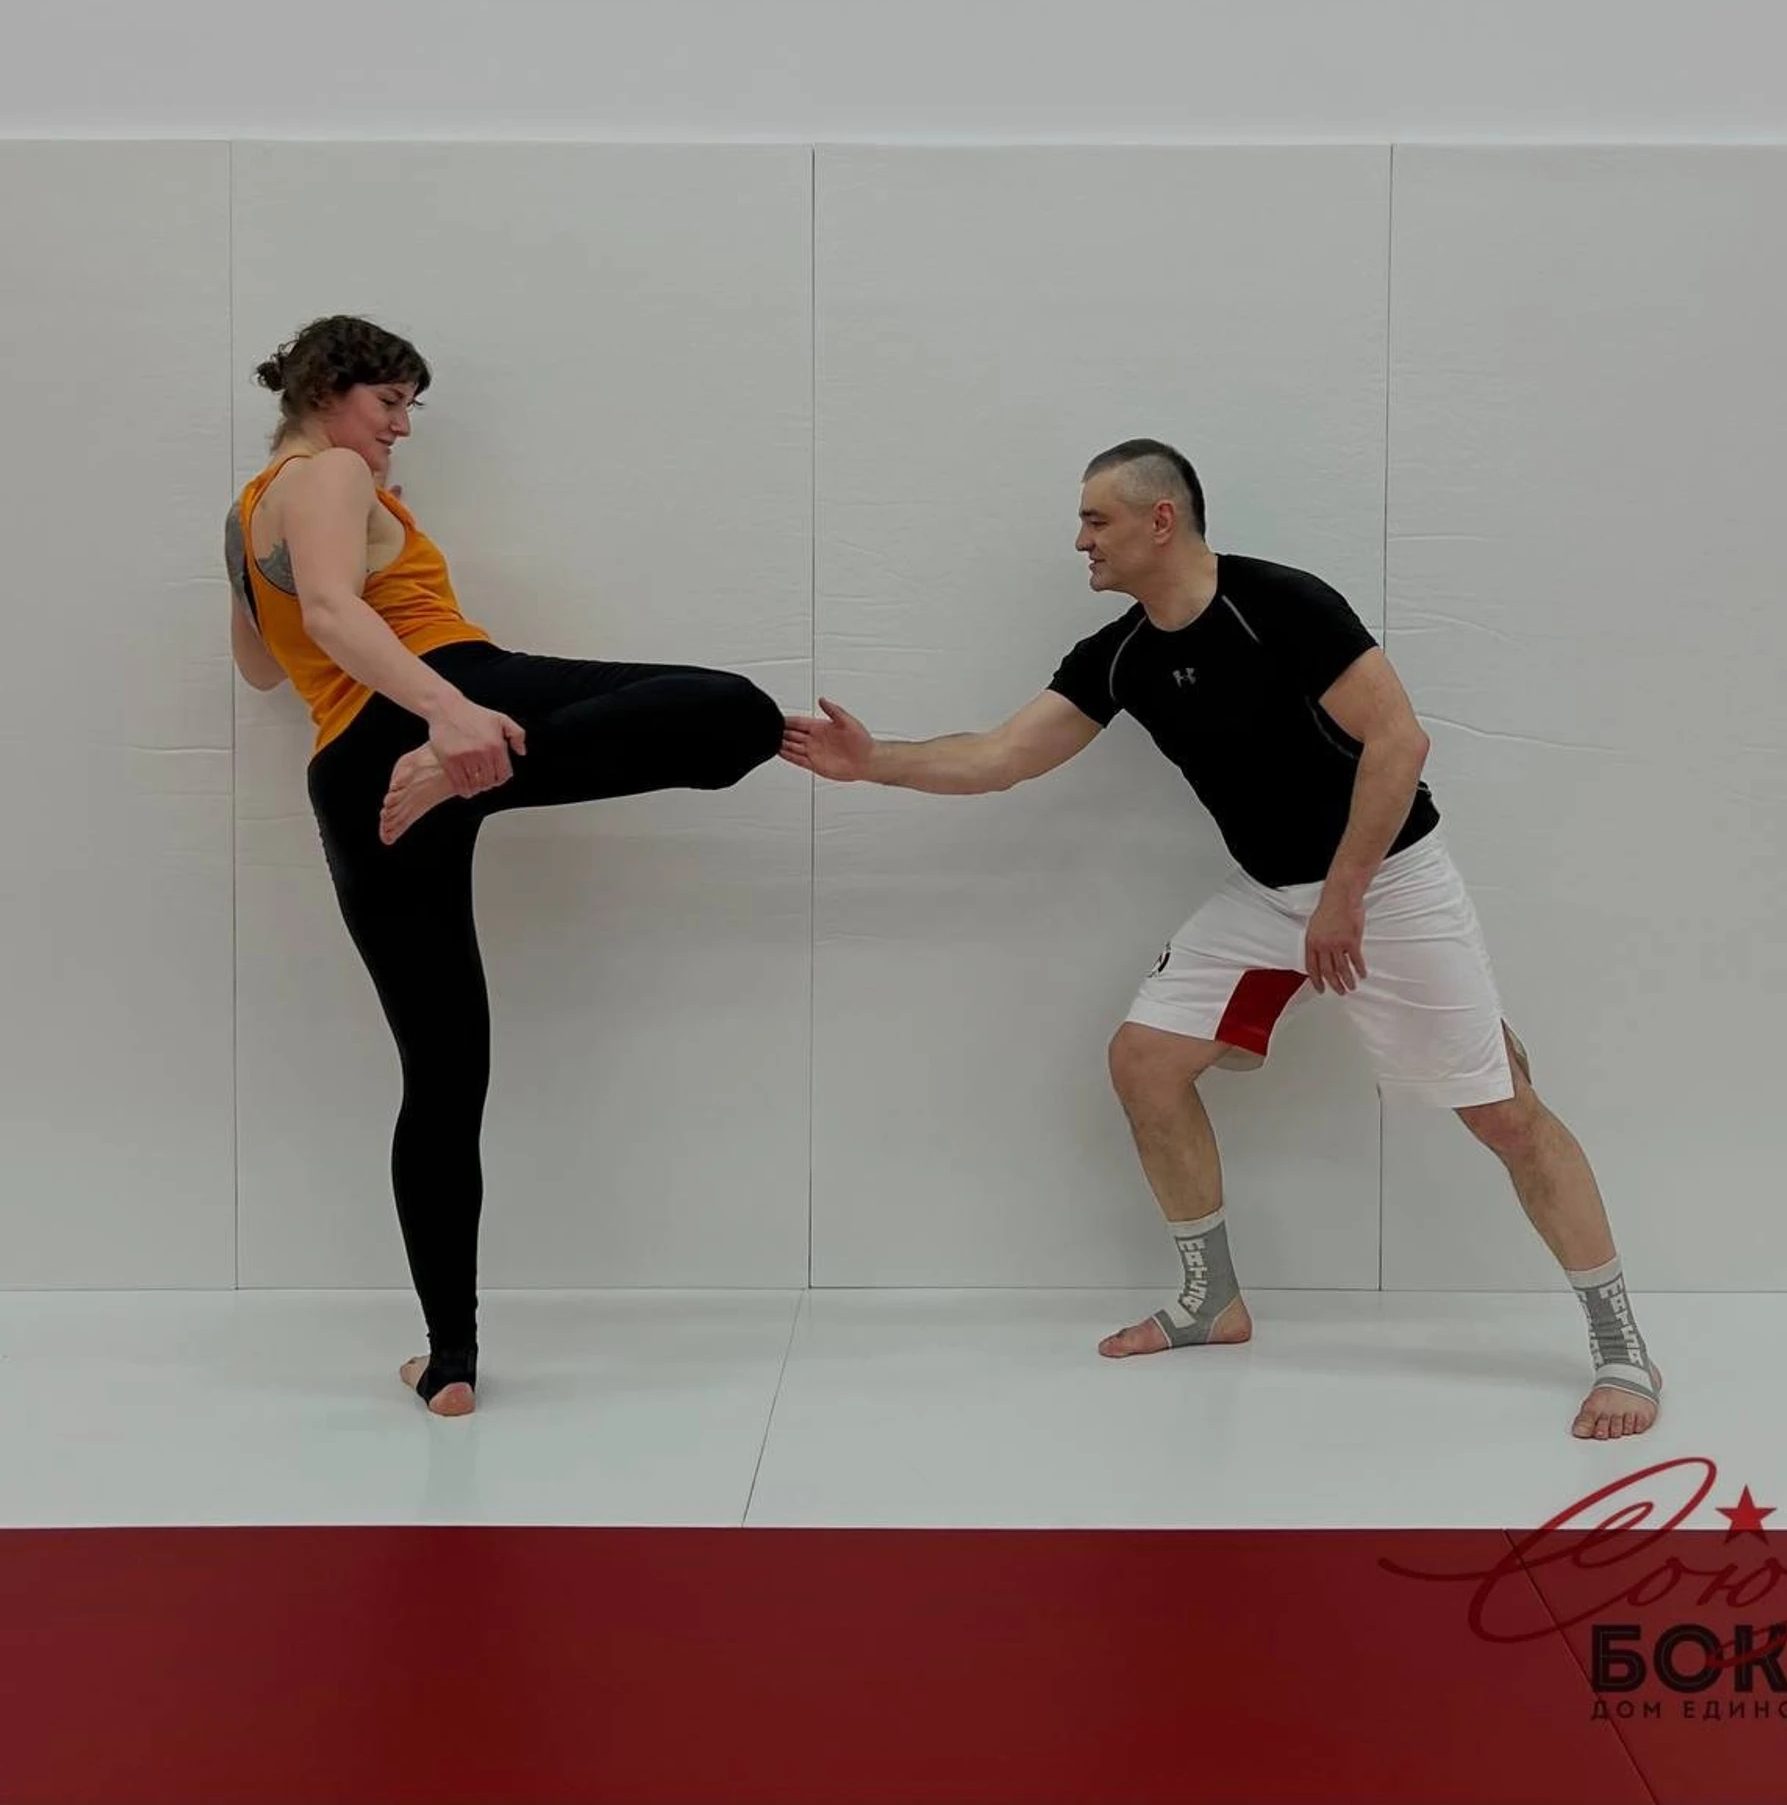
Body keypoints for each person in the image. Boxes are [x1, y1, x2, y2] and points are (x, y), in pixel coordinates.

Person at [784, 439, 1660, 1441]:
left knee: (1502, 1113)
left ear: (1161, 519)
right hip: (1270, 895)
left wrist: (1344, 895)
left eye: (1096, 519)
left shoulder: (1280, 604)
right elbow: (1001, 755)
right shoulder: (1119, 655)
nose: (1080, 541)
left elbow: (1398, 741)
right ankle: (1212, 1301)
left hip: (1390, 882)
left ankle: (1620, 1344)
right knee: (1144, 1060)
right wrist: (871, 762)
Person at [227, 315, 782, 1417]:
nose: (398, 429)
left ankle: (449, 1362)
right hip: (442, 704)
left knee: (442, 1073)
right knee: (737, 715)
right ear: (329, 390)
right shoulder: (331, 472)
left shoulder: (248, 511)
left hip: (352, 774)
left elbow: (261, 663)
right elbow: (332, 610)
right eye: (389, 403)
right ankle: (459, 768)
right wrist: (448, 717)